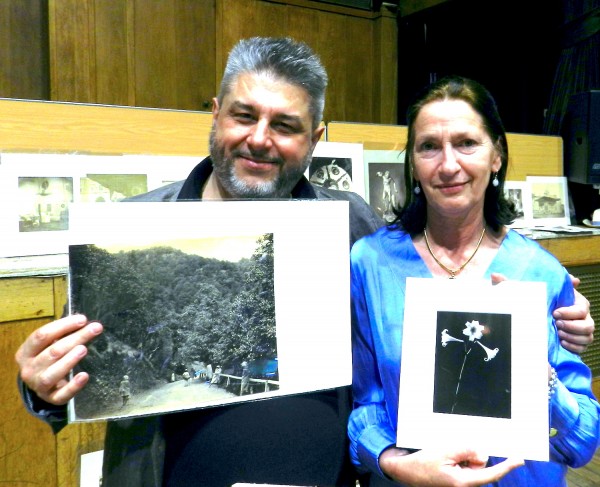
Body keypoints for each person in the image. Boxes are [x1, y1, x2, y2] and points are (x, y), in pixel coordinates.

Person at [14, 38, 593, 487]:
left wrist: (559, 315)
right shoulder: (129, 233)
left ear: (314, 139)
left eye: (285, 125)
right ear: (215, 115)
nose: (259, 140)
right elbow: (81, 380)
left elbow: (442, 281)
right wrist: (42, 390)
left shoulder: (351, 224)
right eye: (244, 115)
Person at [349, 75, 600, 487]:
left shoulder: (541, 271)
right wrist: (392, 460)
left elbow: (582, 444)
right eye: (429, 146)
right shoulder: (370, 263)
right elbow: (368, 402)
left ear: (496, 155)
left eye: (467, 143)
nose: (449, 165)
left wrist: (545, 384)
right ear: (413, 162)